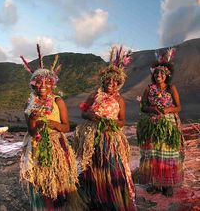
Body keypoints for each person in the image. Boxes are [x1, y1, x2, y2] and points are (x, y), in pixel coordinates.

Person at [20, 45, 82, 211]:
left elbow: (66, 126)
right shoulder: (29, 105)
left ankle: (62, 204)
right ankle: (45, 205)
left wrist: (54, 125)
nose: (43, 86)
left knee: (60, 177)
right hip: (38, 146)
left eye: (47, 82)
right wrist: (33, 121)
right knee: (41, 178)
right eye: (39, 83)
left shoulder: (57, 101)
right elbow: (32, 132)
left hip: (57, 145)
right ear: (33, 85)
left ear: (52, 84)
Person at [74, 46, 136, 211]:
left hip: (110, 140)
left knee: (112, 169)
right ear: (104, 81)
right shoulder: (95, 95)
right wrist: (90, 116)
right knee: (94, 168)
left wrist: (111, 124)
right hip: (93, 138)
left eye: (114, 81)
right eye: (108, 80)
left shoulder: (120, 100)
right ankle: (96, 198)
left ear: (118, 83)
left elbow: (122, 121)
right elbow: (83, 112)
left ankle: (113, 199)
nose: (111, 83)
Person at [137, 48, 184, 197]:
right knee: (154, 154)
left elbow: (178, 107)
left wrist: (169, 110)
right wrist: (151, 109)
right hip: (152, 125)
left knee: (168, 153)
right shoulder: (148, 89)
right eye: (156, 73)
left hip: (168, 124)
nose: (158, 75)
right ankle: (156, 183)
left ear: (167, 75)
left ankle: (168, 184)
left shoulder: (171, 88)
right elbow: (143, 107)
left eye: (161, 73)